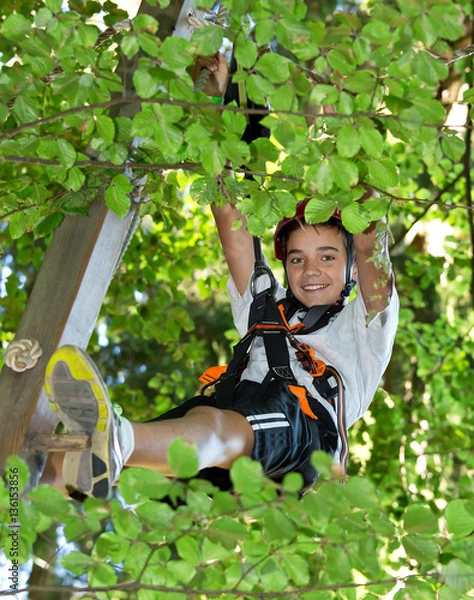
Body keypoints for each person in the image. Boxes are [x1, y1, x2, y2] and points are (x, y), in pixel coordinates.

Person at [41, 54, 399, 500]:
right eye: (297, 259)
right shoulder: (265, 304)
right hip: (230, 414)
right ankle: (28, 491)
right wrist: (222, 107)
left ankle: (118, 441)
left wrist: (344, 132)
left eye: (327, 257)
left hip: (301, 431)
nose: (310, 270)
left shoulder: (366, 326)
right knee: (80, 457)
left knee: (213, 429)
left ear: (348, 269)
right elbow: (230, 212)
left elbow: (370, 238)